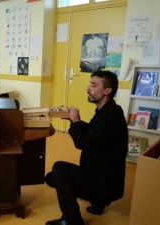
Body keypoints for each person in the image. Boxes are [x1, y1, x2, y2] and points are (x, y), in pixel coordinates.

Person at [45, 70, 128, 225]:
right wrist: (74, 121)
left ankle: (72, 219)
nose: (88, 88)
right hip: (103, 175)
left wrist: (76, 122)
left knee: (59, 170)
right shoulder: (109, 110)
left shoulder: (111, 117)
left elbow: (82, 142)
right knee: (51, 178)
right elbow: (92, 132)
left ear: (107, 91)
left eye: (94, 85)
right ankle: (98, 202)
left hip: (105, 182)